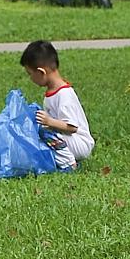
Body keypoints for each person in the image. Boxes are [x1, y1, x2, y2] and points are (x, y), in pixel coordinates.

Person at [21, 40, 94, 169]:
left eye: (30, 74)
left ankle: (69, 164)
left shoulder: (64, 95)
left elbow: (72, 127)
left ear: (41, 72)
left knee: (44, 133)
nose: (30, 79)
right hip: (66, 139)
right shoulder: (52, 93)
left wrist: (49, 122)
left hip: (80, 142)